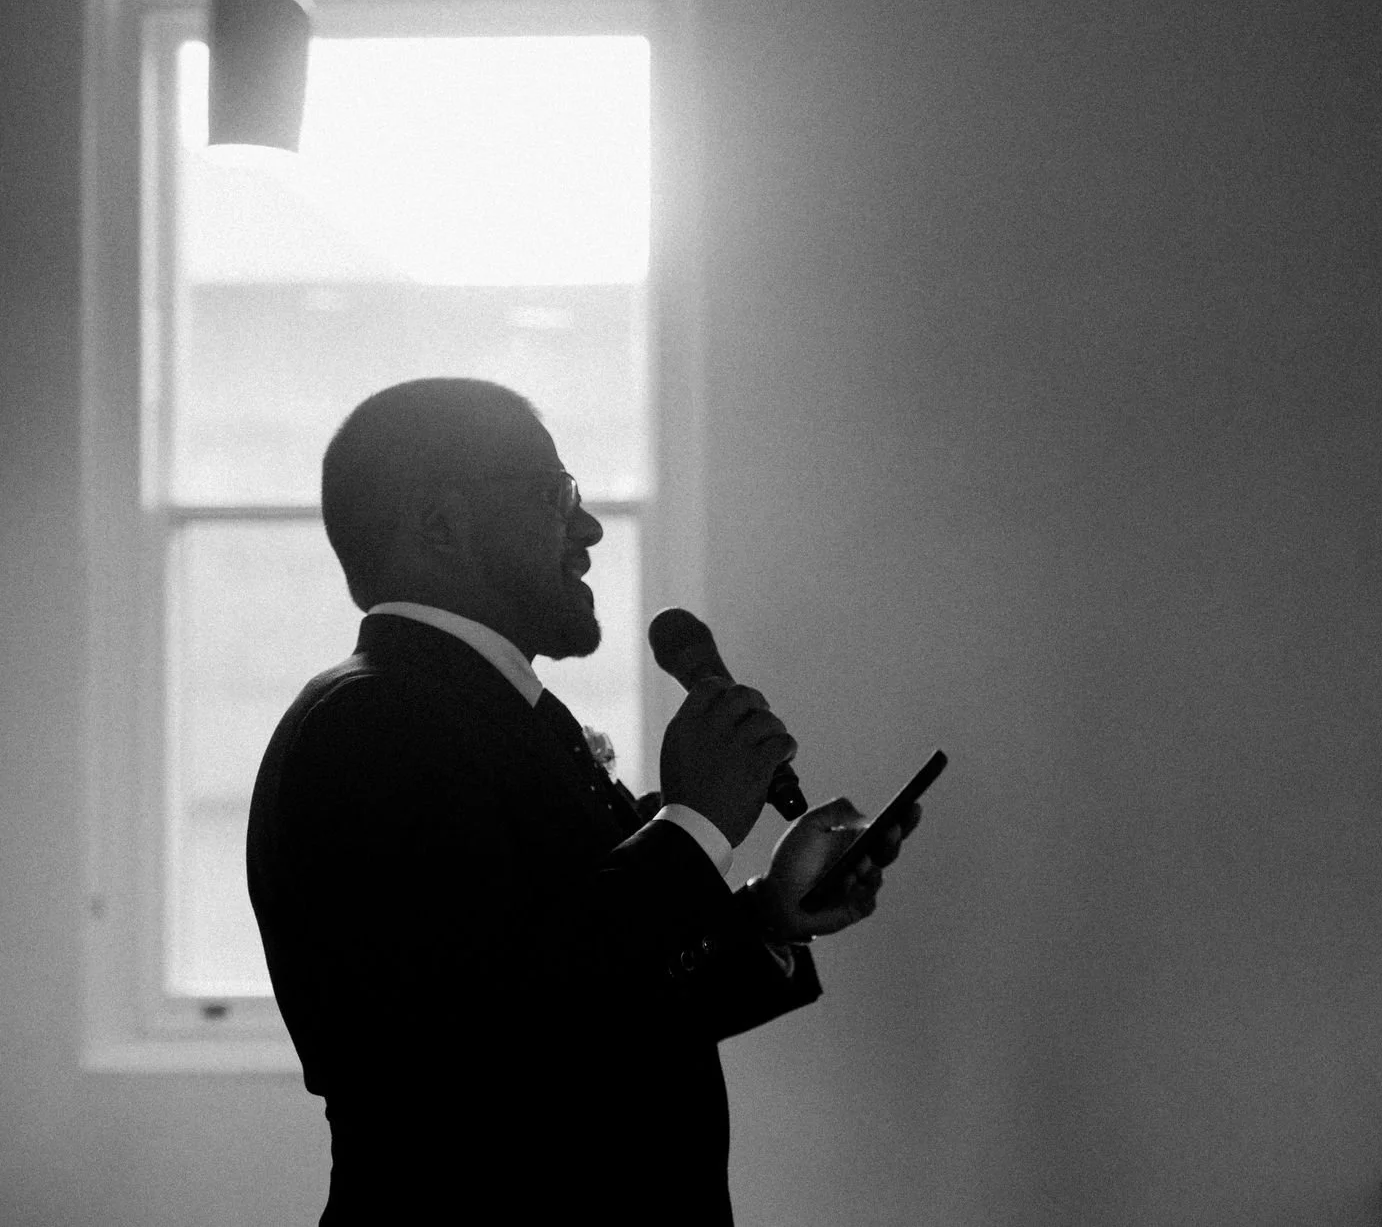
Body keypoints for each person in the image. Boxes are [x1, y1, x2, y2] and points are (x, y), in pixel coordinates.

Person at [246, 377, 916, 1225]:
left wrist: (766, 915)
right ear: (441, 525)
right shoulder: (368, 724)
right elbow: (485, 1045)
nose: (590, 528)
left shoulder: (479, 708)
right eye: (555, 495)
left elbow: (606, 1019)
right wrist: (694, 826)